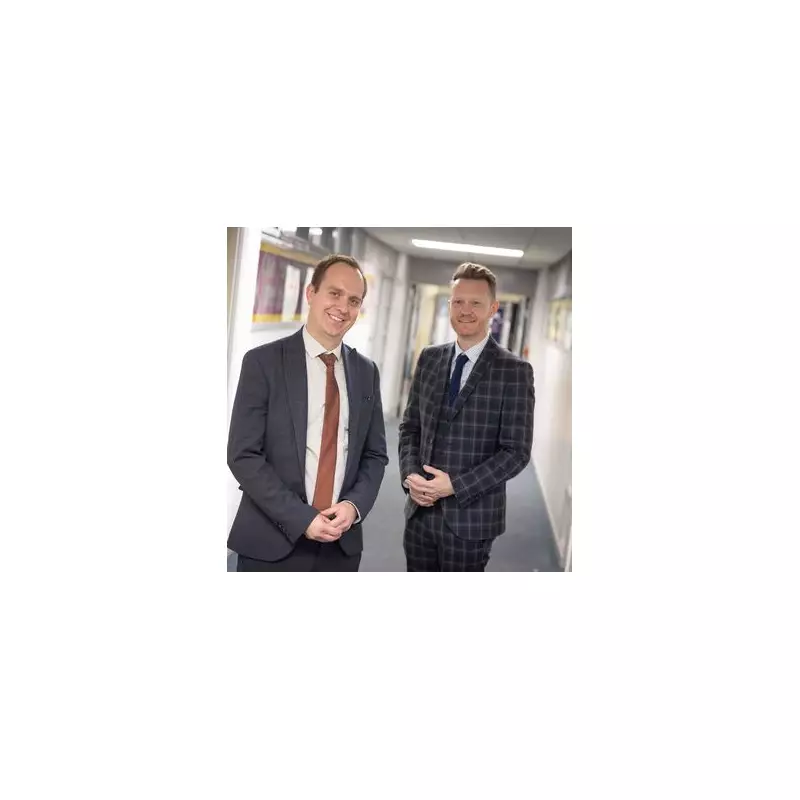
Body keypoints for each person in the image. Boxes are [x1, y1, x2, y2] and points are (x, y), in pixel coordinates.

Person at [228, 254, 388, 571]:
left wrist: (354, 505)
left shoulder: (365, 372)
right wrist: (301, 518)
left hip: (340, 547)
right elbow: (243, 455)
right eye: (334, 293)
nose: (343, 307)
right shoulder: (263, 363)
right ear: (311, 293)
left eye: (354, 301)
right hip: (270, 542)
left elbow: (374, 454)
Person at [398, 262, 535, 571]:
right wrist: (410, 476)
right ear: (450, 305)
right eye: (458, 301)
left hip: (472, 520)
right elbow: (410, 427)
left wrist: (456, 486)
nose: (465, 310)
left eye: (476, 303)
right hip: (420, 514)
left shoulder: (514, 371)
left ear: (493, 308)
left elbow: (516, 452)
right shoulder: (429, 358)